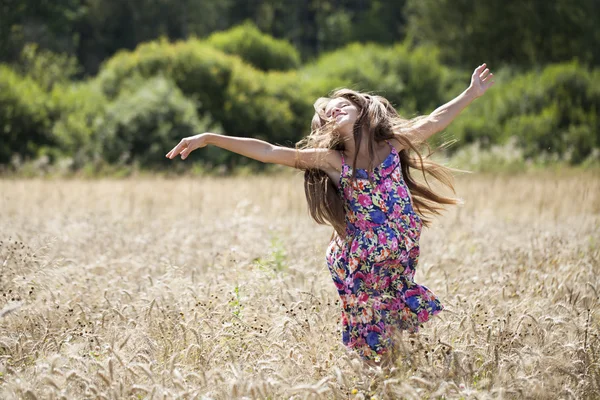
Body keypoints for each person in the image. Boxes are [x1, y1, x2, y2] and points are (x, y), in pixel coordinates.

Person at [166, 63, 494, 368]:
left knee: (396, 316)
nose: (333, 109)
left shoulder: (392, 146)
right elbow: (268, 152)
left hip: (399, 252)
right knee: (372, 325)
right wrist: (208, 138)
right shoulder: (332, 161)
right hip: (357, 257)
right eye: (327, 111)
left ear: (362, 108)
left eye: (341, 104)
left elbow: (435, 120)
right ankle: (376, 375)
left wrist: (470, 93)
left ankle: (399, 370)